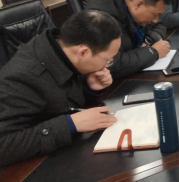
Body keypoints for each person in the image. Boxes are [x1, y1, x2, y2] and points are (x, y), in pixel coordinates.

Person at [0, 11, 122, 168]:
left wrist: (89, 88)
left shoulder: (59, 49)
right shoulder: (24, 78)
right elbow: (3, 146)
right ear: (83, 52)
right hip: (29, 171)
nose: (106, 65)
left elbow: (59, 97)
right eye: (107, 60)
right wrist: (70, 124)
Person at [86, 0, 171, 78]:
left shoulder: (127, 4)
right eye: (155, 15)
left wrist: (148, 41)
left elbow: (159, 25)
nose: (155, 20)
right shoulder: (102, 21)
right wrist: (153, 52)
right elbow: (111, 63)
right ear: (139, 5)